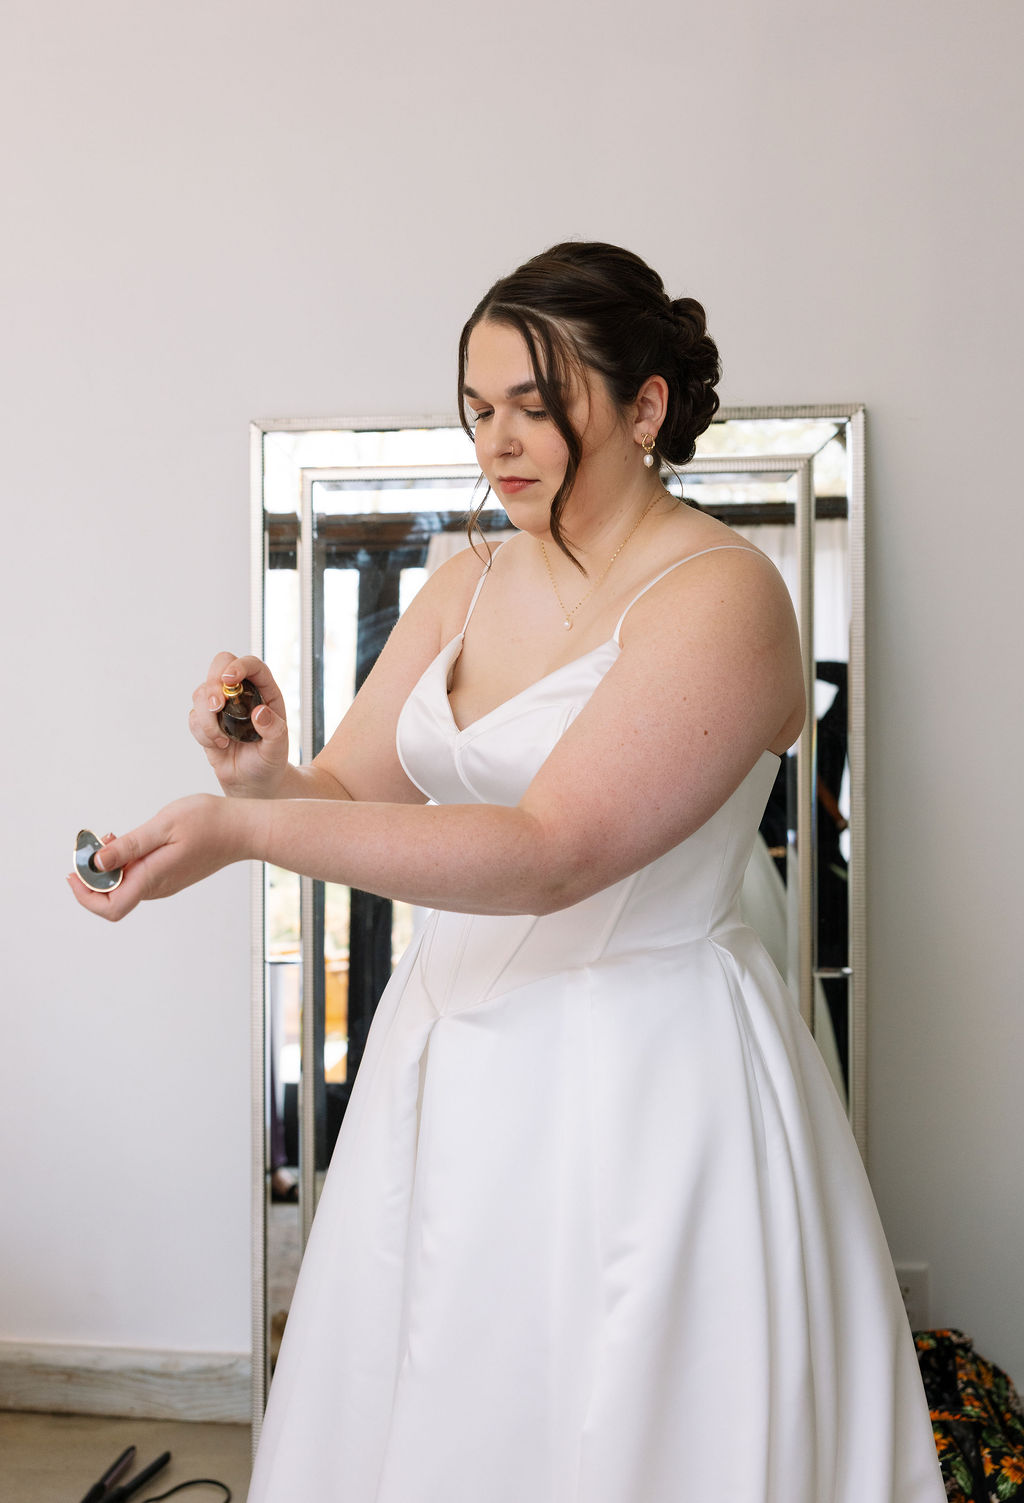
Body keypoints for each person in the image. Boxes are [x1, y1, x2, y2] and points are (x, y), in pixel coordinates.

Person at [70, 243, 945, 1502]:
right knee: (439, 1397)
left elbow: (548, 853)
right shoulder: (467, 577)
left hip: (641, 1073)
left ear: (644, 407)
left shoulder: (723, 598)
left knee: (625, 1424)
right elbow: (352, 796)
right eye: (480, 409)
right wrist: (261, 775)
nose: (500, 441)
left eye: (539, 407)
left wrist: (247, 838)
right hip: (445, 1047)